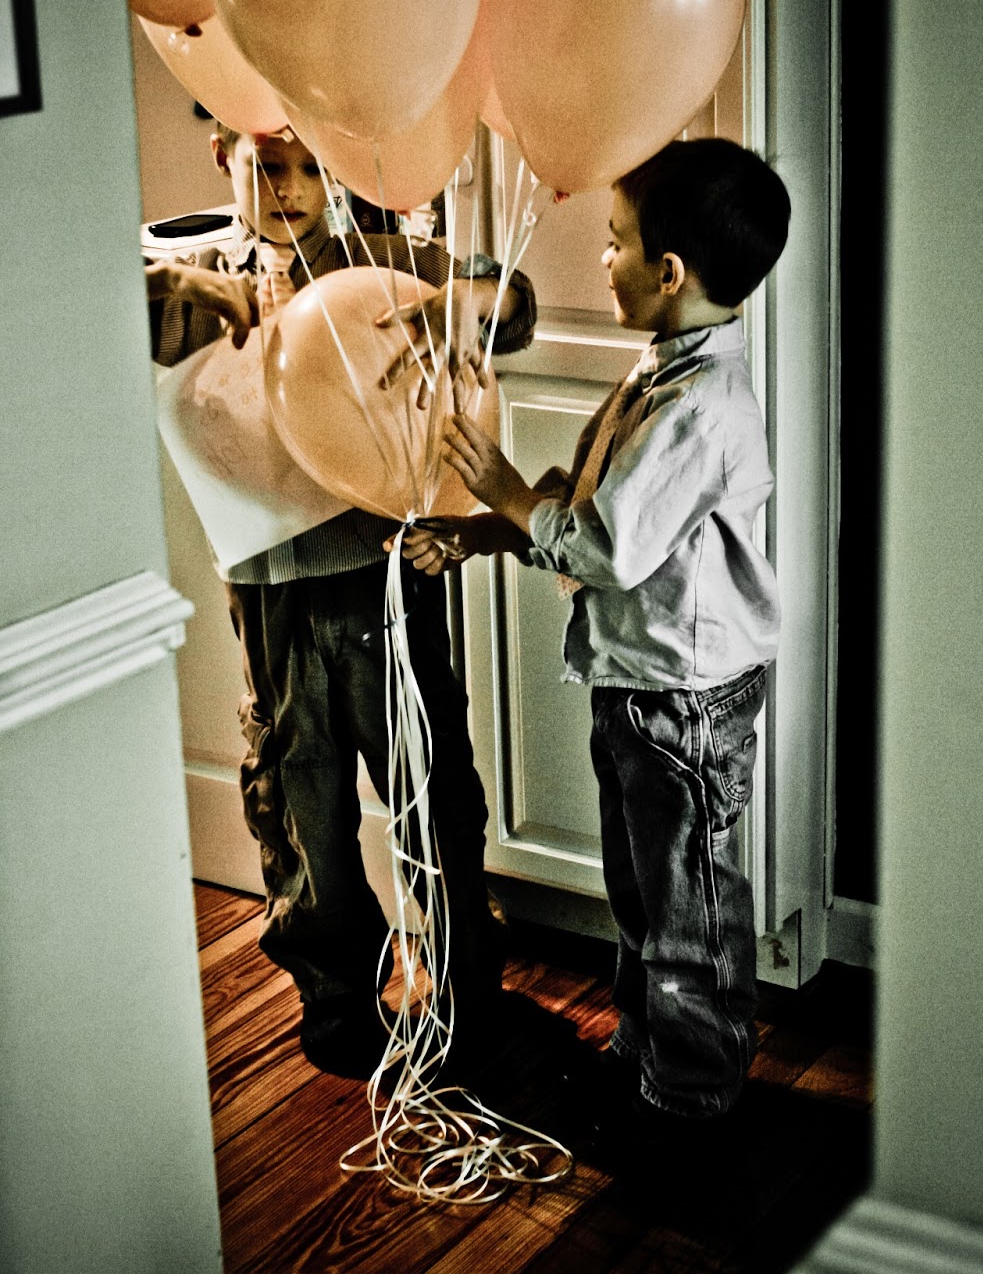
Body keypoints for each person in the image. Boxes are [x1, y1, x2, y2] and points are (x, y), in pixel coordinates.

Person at [398, 137, 791, 1151]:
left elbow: (608, 548)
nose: (602, 260)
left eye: (616, 244)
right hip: (640, 686)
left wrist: (498, 489)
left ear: (669, 272)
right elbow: (582, 509)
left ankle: (689, 1103)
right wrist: (487, 530)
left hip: (683, 699)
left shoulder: (700, 406)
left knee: (687, 911)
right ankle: (644, 1056)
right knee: (642, 893)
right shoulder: (660, 374)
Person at [147, 124, 538, 1079]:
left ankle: (467, 987)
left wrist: (466, 301)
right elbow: (76, 298)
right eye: (267, 165)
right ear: (223, 155)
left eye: (309, 168)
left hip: (384, 578)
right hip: (269, 595)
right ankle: (335, 1003)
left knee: (430, 787)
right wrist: (181, 287)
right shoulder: (197, 273)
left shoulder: (387, 256)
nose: (290, 187)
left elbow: (516, 305)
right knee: (299, 802)